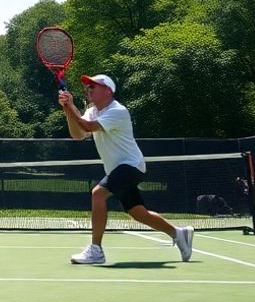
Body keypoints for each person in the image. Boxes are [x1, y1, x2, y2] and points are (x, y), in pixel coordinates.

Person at [58, 74, 193, 264]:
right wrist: (67, 109)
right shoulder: (93, 111)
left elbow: (87, 127)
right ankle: (179, 233)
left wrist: (71, 106)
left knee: (98, 194)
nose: (88, 89)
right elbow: (78, 134)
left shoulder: (118, 111)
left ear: (108, 90)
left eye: (93, 86)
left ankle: (96, 250)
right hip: (119, 170)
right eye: (87, 87)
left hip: (131, 166)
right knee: (138, 213)